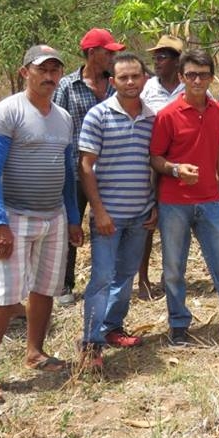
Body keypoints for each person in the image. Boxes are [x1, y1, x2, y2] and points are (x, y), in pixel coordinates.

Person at [0, 45, 83, 405]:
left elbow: (68, 172)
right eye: (42, 69)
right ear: (25, 73)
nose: (49, 76)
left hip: (54, 216)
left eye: (55, 70)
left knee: (46, 288)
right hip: (15, 216)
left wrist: (74, 218)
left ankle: (35, 352)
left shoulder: (63, 117)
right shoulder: (7, 113)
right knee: (5, 295)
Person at [149, 48, 219, 349]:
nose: (197, 81)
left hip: (210, 200)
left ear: (212, 77)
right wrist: (175, 169)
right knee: (174, 268)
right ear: (181, 77)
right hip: (174, 202)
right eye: (190, 75)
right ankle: (178, 325)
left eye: (203, 75)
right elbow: (156, 159)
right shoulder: (167, 116)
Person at [78, 52, 158, 370]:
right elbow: (86, 167)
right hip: (108, 216)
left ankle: (112, 328)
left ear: (144, 79)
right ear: (113, 82)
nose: (129, 82)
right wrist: (99, 212)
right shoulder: (98, 115)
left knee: (124, 276)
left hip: (140, 214)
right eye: (122, 78)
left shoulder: (153, 117)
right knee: (100, 278)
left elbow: (153, 164)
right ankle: (90, 343)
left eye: (135, 77)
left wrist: (154, 205)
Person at [53, 27, 124, 306]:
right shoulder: (67, 87)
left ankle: (110, 279)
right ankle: (64, 285)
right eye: (108, 52)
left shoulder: (116, 84)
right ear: (92, 53)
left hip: (112, 170)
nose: (112, 57)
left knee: (110, 224)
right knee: (71, 223)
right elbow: (57, 126)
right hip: (75, 170)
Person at [137, 34, 185, 298]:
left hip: (182, 164)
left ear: (177, 61)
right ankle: (142, 278)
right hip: (151, 163)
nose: (157, 61)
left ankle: (172, 275)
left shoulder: (191, 85)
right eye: (155, 56)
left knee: (176, 222)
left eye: (163, 57)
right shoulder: (146, 88)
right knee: (148, 221)